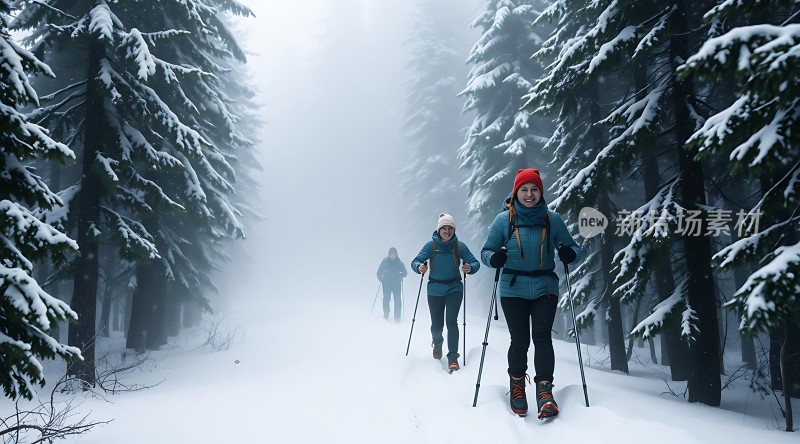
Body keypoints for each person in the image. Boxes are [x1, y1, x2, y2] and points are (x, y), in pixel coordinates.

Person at [480, 168, 581, 419]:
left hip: (545, 286)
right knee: (520, 340)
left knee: (542, 337)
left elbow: (574, 247)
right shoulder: (504, 220)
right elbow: (486, 252)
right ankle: (517, 386)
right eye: (524, 189)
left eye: (534, 189)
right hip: (512, 288)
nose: (529, 194)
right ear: (516, 192)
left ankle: (544, 392)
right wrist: (495, 258)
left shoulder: (552, 218)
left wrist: (570, 253)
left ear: (541, 192)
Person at [411, 213, 480, 372]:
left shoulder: (459, 246)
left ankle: (453, 357)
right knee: (437, 325)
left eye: (450, 228)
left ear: (454, 230)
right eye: (444, 228)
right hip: (434, 288)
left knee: (451, 321)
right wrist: (419, 267)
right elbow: (415, 261)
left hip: (454, 288)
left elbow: (475, 262)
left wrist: (470, 268)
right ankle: (438, 341)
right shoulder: (431, 246)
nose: (447, 231)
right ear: (439, 229)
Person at [377, 247, 408, 322]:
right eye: (391, 254)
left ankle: (397, 318)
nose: (392, 256)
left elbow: (405, 273)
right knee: (386, 300)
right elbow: (378, 273)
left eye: (394, 254)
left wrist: (402, 274)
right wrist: (381, 278)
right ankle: (386, 316)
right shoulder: (385, 262)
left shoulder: (399, 263)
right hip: (386, 284)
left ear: (396, 255)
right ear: (388, 254)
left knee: (397, 300)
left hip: (396, 284)